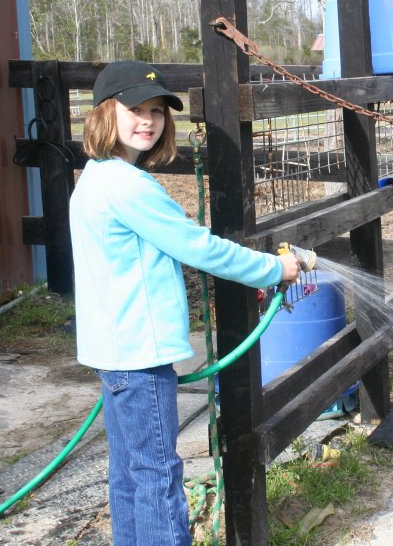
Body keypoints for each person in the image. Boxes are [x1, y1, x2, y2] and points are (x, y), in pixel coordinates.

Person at [69, 60, 299, 545]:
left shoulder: (94, 178)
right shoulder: (129, 188)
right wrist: (273, 269)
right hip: (141, 354)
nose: (148, 120)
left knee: (130, 473)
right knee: (158, 475)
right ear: (103, 113)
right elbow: (201, 248)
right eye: (135, 109)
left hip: (114, 351)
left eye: (156, 110)